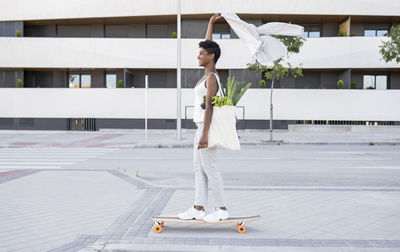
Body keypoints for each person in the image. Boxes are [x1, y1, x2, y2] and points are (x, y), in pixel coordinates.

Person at [177, 14, 229, 223]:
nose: (198, 56)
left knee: (210, 168)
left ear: (211, 57)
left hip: (206, 128)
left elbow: (210, 108)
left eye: (201, 54)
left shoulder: (212, 79)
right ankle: (199, 207)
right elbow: (209, 46)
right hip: (200, 127)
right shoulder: (207, 75)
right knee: (198, 168)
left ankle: (222, 208)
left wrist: (205, 135)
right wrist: (210, 24)